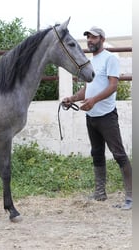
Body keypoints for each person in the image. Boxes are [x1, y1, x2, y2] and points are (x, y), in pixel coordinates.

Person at [62, 26, 132, 210]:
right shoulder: (91, 62)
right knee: (97, 153)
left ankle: (131, 198)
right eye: (88, 38)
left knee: (119, 154)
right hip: (91, 115)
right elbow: (88, 89)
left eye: (93, 37)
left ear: (102, 39)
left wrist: (93, 100)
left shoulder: (110, 58)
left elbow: (113, 86)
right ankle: (100, 193)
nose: (90, 40)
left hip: (106, 116)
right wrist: (73, 98)